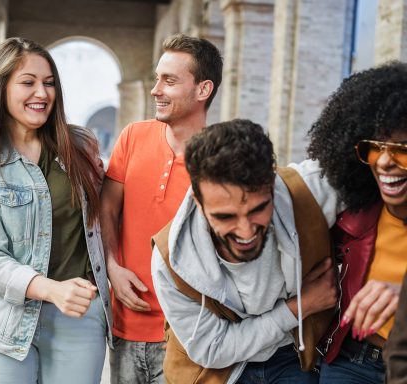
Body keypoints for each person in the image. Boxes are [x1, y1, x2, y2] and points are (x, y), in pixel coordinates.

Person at [0, 37, 111, 384]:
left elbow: (105, 218)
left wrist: (115, 270)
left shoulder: (79, 146)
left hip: (78, 317)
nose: (42, 93)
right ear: (0, 87)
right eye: (28, 82)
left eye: (49, 83)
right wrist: (50, 289)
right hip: (0, 321)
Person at [151, 119, 341, 383]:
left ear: (272, 185)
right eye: (225, 216)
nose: (245, 231)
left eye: (257, 209)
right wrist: (298, 307)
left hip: (293, 354)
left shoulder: (307, 191)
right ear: (198, 200)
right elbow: (213, 349)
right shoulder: (170, 260)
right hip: (215, 372)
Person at [100, 33, 222, 383]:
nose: (156, 90)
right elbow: (106, 211)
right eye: (157, 78)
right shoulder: (132, 136)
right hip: (123, 328)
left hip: (186, 340)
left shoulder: (218, 161)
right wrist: (111, 267)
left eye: (169, 81)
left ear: (203, 90)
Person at [307, 61, 407, 384]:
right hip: (354, 360)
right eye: (374, 148)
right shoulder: (352, 215)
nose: (386, 161)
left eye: (401, 150)